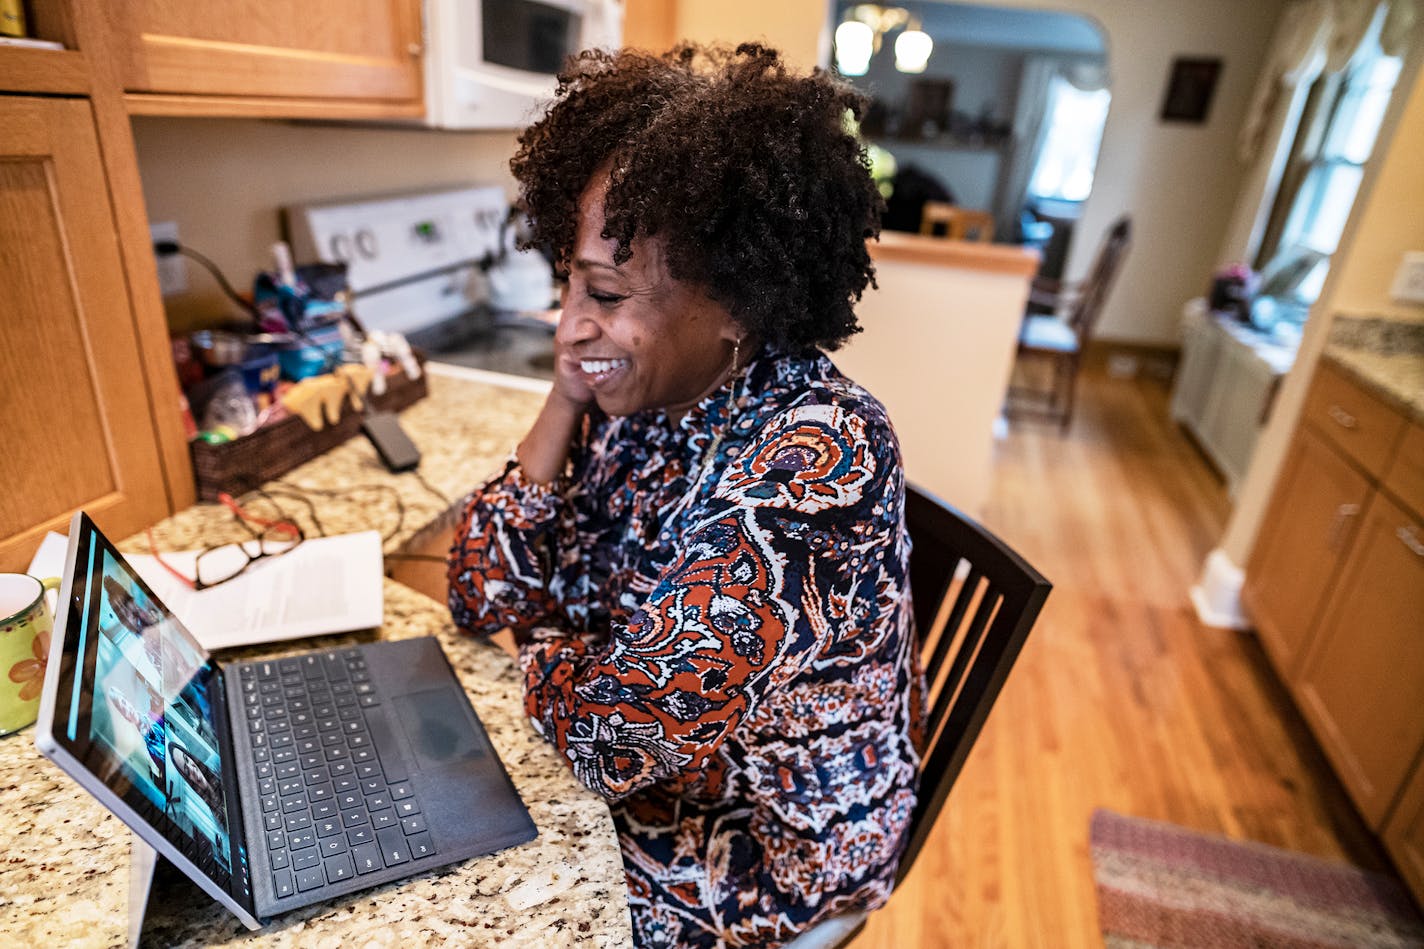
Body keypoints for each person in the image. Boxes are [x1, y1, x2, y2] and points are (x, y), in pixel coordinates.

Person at [448, 43, 924, 949]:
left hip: (770, 840)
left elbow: (610, 739)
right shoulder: (649, 391)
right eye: (567, 285)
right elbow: (476, 589)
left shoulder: (821, 458)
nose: (570, 322)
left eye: (604, 291)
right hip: (656, 777)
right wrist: (565, 395)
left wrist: (540, 641)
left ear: (740, 303)